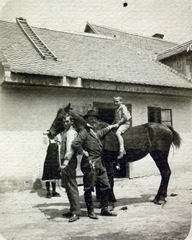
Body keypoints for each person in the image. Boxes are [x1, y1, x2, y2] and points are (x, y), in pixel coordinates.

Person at [72, 110, 117, 219]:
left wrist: (110, 127)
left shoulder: (94, 131)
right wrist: (83, 152)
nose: (94, 120)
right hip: (90, 162)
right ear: (86, 120)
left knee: (106, 185)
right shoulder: (84, 131)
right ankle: (90, 211)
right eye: (91, 118)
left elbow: (102, 132)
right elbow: (75, 143)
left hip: (99, 162)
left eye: (95, 118)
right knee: (89, 187)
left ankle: (105, 209)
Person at [59, 115, 81, 223]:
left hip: (70, 162)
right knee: (68, 187)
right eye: (63, 121)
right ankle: (72, 209)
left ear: (72, 122)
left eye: (67, 121)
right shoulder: (66, 132)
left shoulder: (71, 133)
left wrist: (65, 163)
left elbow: (70, 149)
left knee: (72, 186)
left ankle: (76, 212)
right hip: (66, 162)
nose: (65, 123)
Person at [113, 96, 131, 160]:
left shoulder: (123, 107)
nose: (115, 103)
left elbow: (125, 117)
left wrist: (118, 124)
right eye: (114, 102)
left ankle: (122, 150)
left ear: (121, 101)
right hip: (120, 124)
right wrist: (112, 125)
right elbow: (115, 120)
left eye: (117, 102)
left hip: (125, 124)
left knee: (118, 133)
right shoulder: (116, 109)